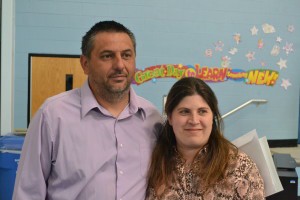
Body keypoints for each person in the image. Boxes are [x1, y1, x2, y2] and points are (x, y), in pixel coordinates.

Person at [13, 20, 162, 200]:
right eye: (107, 56)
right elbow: (27, 193)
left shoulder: (152, 119)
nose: (120, 65)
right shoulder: (52, 116)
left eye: (126, 55)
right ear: (85, 64)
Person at [146, 77, 265, 200]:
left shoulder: (239, 166)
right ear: (170, 118)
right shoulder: (153, 163)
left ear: (212, 116)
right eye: (184, 112)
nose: (194, 120)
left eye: (202, 111)